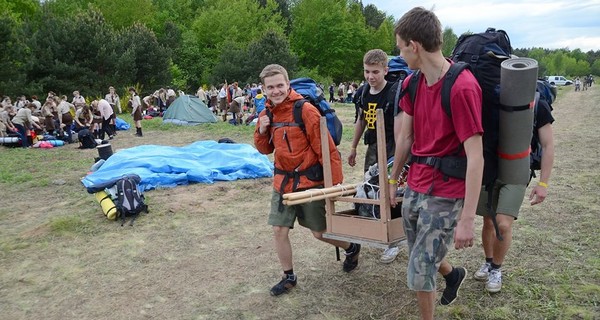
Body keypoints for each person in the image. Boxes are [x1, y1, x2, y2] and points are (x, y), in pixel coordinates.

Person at [387, 7, 484, 319]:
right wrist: (392, 181)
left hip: (447, 190)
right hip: (416, 182)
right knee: (418, 252)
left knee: (420, 266)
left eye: (401, 48)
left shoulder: (462, 87)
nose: (400, 55)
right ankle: (453, 275)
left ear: (414, 46)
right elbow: (405, 139)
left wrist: (468, 218)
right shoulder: (413, 84)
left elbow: (476, 156)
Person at [254, 64, 361, 297]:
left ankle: (351, 247)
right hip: (282, 184)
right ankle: (288, 277)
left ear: (288, 84)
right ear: (264, 89)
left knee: (319, 233)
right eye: (270, 87)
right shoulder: (266, 113)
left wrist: (334, 184)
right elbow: (264, 149)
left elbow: (327, 150)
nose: (276, 91)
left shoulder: (306, 110)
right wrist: (261, 131)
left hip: (309, 183)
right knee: (279, 230)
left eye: (280, 85)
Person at [473, 94, 555, 293]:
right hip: (489, 170)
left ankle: (496, 269)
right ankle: (489, 261)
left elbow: (548, 144)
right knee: (488, 221)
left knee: (502, 223)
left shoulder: (536, 103)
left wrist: (543, 183)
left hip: (517, 172)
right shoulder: (486, 96)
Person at [347, 49, 401, 264]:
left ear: (386, 70)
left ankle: (394, 240)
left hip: (391, 146)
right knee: (371, 189)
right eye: (367, 71)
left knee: (390, 192)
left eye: (375, 72)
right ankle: (377, 229)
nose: (371, 76)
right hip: (372, 147)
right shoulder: (362, 92)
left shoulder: (393, 93)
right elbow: (361, 119)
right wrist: (352, 147)